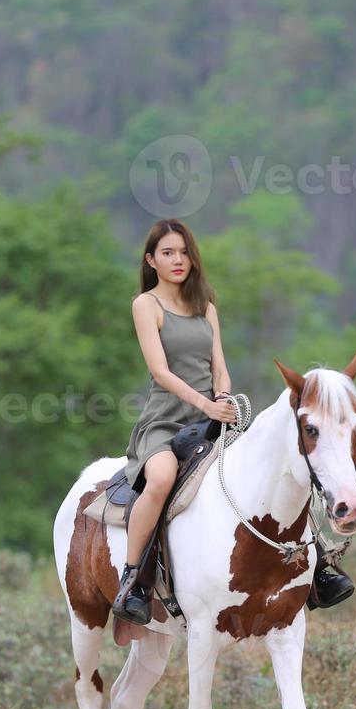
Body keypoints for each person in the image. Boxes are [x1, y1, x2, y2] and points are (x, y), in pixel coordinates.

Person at [112, 219, 236, 625]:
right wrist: (204, 401)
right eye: (167, 253)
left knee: (272, 465)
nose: (178, 260)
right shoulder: (146, 305)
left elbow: (219, 366)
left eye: (183, 252)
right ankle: (134, 580)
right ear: (152, 260)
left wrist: (222, 399)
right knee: (162, 477)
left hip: (210, 417)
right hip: (166, 422)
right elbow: (161, 372)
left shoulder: (207, 307)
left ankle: (318, 564)